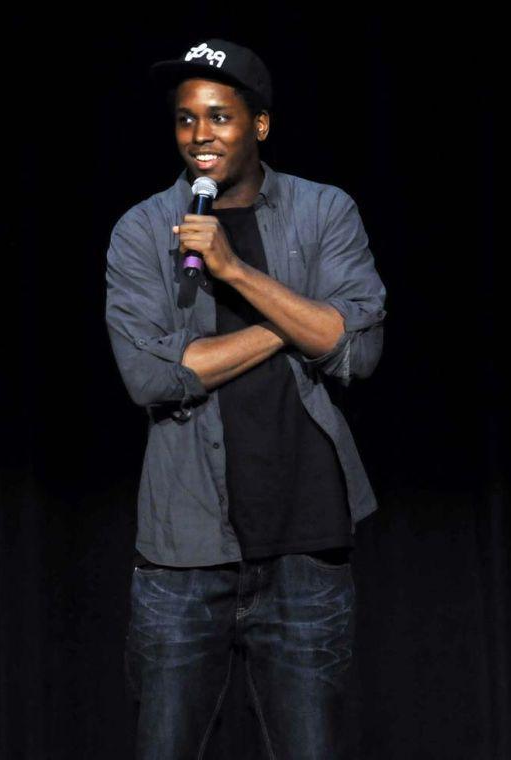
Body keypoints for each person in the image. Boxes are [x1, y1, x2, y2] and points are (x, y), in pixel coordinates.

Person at [105, 38, 387, 759]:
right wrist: (295, 322)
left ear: (258, 125)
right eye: (184, 119)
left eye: (220, 117)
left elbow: (358, 351)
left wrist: (233, 271)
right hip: (183, 555)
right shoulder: (141, 231)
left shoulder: (324, 212)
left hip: (306, 543)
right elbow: (153, 377)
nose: (199, 136)